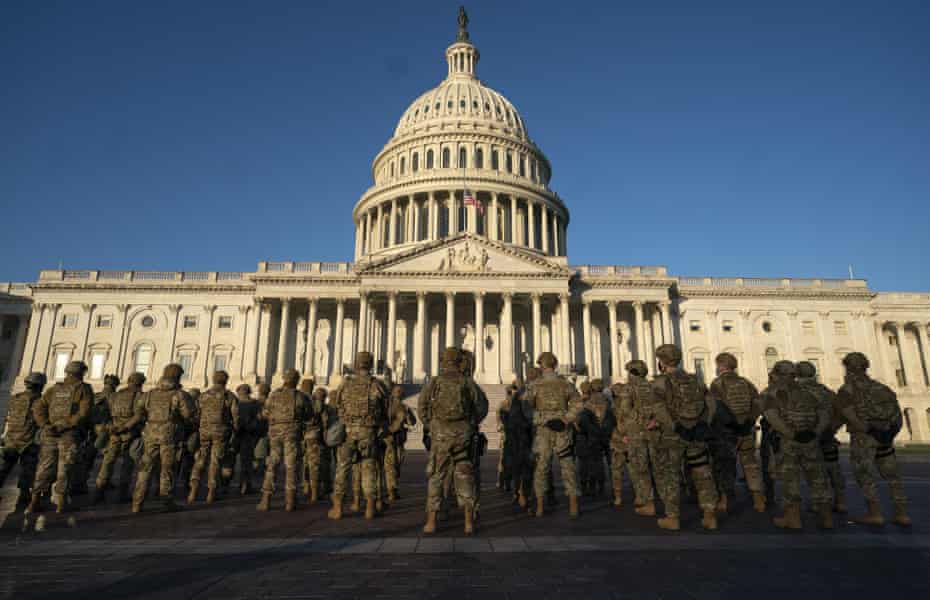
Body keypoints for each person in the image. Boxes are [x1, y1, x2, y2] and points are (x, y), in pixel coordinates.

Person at [836, 352, 911, 526]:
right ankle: (902, 513)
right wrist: (889, 433)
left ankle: (874, 513)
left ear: (847, 368)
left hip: (864, 437)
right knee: (893, 476)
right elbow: (897, 416)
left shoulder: (847, 390)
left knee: (865, 474)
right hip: (885, 436)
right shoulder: (882, 388)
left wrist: (868, 429)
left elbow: (848, 414)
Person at [649, 344, 719, 531]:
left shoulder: (660, 382)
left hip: (674, 435)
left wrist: (674, 425)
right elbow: (710, 404)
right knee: (702, 471)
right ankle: (709, 514)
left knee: (670, 475)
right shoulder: (695, 379)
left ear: (661, 362)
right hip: (697, 432)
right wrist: (703, 423)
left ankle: (672, 517)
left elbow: (658, 408)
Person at [761, 360, 833, 530]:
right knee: (818, 479)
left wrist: (792, 434)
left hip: (788, 442)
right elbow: (824, 415)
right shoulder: (810, 393)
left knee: (789, 479)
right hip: (811, 440)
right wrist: (814, 433)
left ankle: (793, 518)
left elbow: (772, 418)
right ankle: (827, 518)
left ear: (776, 374)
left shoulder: (771, 393)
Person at [419, 348, 483, 534]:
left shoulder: (434, 382)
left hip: (441, 436)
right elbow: (482, 406)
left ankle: (431, 522)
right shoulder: (467, 382)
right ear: (458, 361)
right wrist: (471, 424)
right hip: (463, 435)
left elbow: (422, 406)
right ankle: (468, 523)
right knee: (465, 475)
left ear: (442, 362)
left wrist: (431, 425)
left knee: (437, 477)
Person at [328, 352, 389, 520]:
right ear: (371, 365)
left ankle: (338, 507)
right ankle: (370, 507)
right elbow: (385, 410)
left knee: (342, 468)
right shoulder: (377, 385)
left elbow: (336, 405)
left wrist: (346, 419)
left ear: (356, 364)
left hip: (349, 431)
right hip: (368, 431)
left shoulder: (346, 384)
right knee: (369, 467)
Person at [522, 352, 583, 519]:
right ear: (555, 365)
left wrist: (542, 420)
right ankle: (573, 505)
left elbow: (526, 408)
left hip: (543, 431)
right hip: (563, 429)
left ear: (541, 365)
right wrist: (566, 419)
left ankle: (540, 506)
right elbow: (578, 404)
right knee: (568, 465)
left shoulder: (534, 385)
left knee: (542, 467)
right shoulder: (566, 384)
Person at [28, 361, 93, 514]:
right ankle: (61, 504)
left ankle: (34, 502)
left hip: (49, 433)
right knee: (65, 467)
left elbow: (38, 407)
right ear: (82, 373)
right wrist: (64, 425)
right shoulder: (83, 389)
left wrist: (45, 425)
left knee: (44, 466)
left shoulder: (53, 389)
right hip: (68, 434)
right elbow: (84, 413)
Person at [127, 364, 193, 513]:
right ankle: (167, 501)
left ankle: (137, 502)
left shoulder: (149, 394)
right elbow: (188, 415)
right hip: (169, 435)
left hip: (150, 433)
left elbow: (139, 412)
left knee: (145, 467)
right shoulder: (179, 394)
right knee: (167, 469)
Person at [708, 352, 766, 513]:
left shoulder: (717, 384)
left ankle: (725, 501)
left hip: (727, 432)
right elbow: (758, 402)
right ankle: (758, 499)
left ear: (721, 366)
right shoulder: (746, 382)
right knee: (750, 464)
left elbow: (716, 409)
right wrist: (749, 422)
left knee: (726, 465)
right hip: (747, 429)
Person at [795, 361, 847, 513]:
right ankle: (840, 501)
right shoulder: (827, 392)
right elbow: (842, 413)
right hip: (828, 436)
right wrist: (832, 429)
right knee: (833, 470)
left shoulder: (798, 392)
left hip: (808, 437)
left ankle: (820, 503)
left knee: (814, 471)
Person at [258, 368, 311, 512]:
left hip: (275, 433)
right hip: (292, 434)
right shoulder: (301, 396)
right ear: (297, 380)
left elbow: (265, 413)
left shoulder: (273, 395)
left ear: (284, 379)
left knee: (272, 464)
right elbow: (309, 415)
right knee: (291, 466)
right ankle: (290, 501)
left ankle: (266, 500)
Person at [610, 361, 656, 514]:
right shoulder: (652, 386)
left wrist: (623, 432)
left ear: (632, 372)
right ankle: (650, 499)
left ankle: (647, 501)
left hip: (636, 432)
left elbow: (624, 411)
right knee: (655, 466)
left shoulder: (629, 388)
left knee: (640, 467)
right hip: (654, 430)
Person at [93, 372, 146, 504]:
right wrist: (126, 427)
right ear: (140, 383)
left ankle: (99, 491)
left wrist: (112, 427)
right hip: (130, 434)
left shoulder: (115, 395)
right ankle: (122, 494)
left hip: (114, 433)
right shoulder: (140, 396)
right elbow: (138, 416)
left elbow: (106, 413)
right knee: (128, 464)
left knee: (108, 462)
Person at [187, 371, 239, 504]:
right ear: (226, 381)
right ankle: (211, 492)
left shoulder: (203, 396)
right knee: (215, 461)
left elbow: (196, 414)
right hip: (221, 431)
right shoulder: (229, 396)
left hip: (204, 430)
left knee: (200, 458)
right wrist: (235, 430)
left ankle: (193, 490)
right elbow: (236, 417)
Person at [0, 372, 46, 508]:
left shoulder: (16, 398)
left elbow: (10, 417)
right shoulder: (40, 401)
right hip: (28, 440)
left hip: (11, 438)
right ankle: (24, 496)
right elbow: (41, 421)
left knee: (4, 468)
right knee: (28, 469)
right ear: (40, 386)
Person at [73, 374, 118, 495]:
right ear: (115, 385)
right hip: (106, 429)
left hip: (92, 429)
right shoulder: (115, 397)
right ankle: (103, 482)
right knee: (108, 458)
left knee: (88, 457)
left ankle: (80, 483)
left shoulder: (96, 395)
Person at [578, 379, 611, 498]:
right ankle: (601, 486)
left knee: (585, 463)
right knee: (599, 463)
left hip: (588, 436)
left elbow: (582, 421)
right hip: (604, 435)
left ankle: (587, 487)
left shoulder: (587, 402)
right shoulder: (607, 400)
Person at [234, 383, 262, 495]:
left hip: (234, 434)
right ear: (249, 392)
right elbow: (259, 418)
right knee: (246, 461)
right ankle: (245, 485)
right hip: (248, 434)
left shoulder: (235, 403)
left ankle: (223, 485)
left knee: (228, 460)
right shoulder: (255, 404)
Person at [301, 383, 326, 504]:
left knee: (304, 463)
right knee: (314, 464)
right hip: (313, 436)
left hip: (300, 436)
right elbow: (320, 412)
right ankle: (314, 493)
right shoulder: (314, 401)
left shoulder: (298, 398)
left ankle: (306, 487)